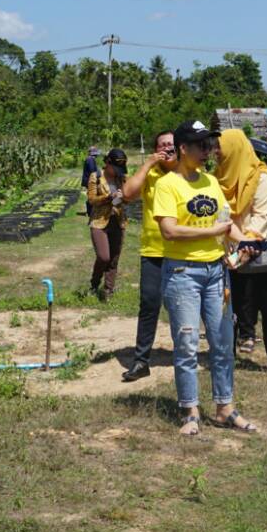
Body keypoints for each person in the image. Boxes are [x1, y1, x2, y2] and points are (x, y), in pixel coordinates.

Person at [152, 120, 256, 435]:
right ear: (183, 149)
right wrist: (212, 231)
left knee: (223, 342)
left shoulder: (211, 182)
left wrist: (247, 243)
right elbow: (169, 230)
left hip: (216, 273)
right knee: (185, 344)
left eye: (209, 145)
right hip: (183, 273)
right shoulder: (167, 185)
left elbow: (226, 223)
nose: (207, 151)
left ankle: (225, 408)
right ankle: (190, 411)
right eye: (200, 145)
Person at [216, 130, 267, 373]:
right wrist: (235, 249)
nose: (216, 153)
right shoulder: (218, 178)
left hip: (264, 249)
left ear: (235, 150)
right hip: (233, 251)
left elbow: (262, 218)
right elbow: (219, 214)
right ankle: (228, 352)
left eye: (221, 148)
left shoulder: (262, 178)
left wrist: (245, 246)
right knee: (234, 304)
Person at [118, 130, 178, 382]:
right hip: (153, 251)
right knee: (149, 305)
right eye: (162, 145)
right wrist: (149, 163)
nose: (167, 148)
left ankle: (185, 356)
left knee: (182, 306)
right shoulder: (150, 174)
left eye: (171, 145)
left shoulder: (186, 174)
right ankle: (142, 360)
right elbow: (128, 194)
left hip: (181, 251)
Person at [87, 149, 127, 300]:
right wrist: (109, 197)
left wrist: (126, 196)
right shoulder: (96, 177)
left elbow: (129, 197)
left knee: (114, 258)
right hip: (99, 221)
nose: (117, 171)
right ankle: (94, 284)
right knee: (104, 257)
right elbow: (92, 199)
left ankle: (108, 290)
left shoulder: (122, 178)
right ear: (107, 163)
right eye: (115, 168)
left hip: (118, 220)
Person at [82, 145, 101, 217]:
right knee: (91, 196)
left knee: (91, 196)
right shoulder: (90, 159)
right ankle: (90, 212)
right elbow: (92, 170)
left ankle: (91, 211)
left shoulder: (90, 159)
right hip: (90, 181)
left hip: (90, 180)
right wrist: (99, 175)